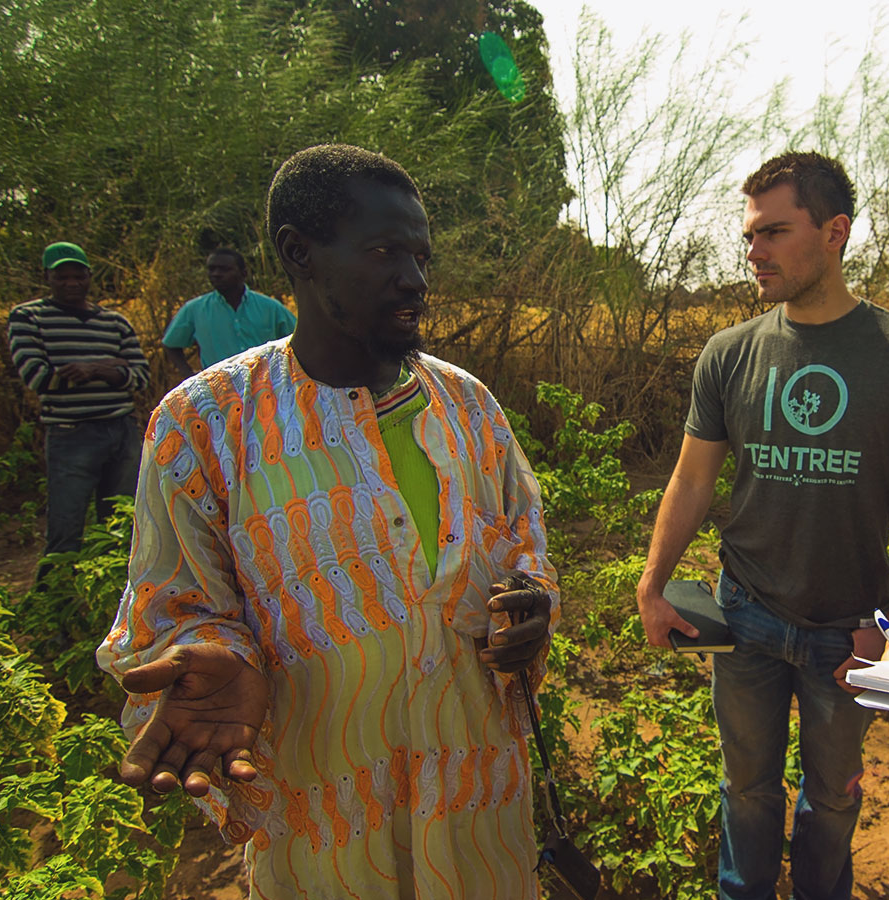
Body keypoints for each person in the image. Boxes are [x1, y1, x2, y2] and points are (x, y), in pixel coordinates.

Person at [97, 144, 558, 898]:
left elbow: (526, 548)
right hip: (325, 817)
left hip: (479, 797)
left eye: (420, 256)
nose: (414, 280)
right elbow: (173, 602)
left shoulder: (470, 406)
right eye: (383, 252)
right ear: (298, 253)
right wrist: (218, 655)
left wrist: (532, 607)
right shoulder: (205, 425)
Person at [635, 151, 889, 899]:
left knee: (834, 798)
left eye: (775, 232)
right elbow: (691, 479)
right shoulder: (730, 353)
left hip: (848, 632)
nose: (755, 251)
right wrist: (653, 584)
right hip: (746, 615)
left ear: (834, 232)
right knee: (746, 789)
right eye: (750, 235)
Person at [8, 241, 151, 559]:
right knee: (65, 529)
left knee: (121, 526)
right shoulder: (29, 317)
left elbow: (141, 377)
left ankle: (114, 587)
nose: (71, 283)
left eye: (78, 276)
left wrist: (91, 369)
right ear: (47, 277)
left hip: (121, 430)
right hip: (70, 432)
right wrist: (111, 367)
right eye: (62, 277)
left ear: (89, 276)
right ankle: (55, 588)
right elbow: (38, 378)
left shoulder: (114, 322)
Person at [162, 248, 296, 380]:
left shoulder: (270, 307)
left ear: (244, 273)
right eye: (211, 269)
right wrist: (189, 376)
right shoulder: (194, 309)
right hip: (219, 387)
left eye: (224, 269)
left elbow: (299, 339)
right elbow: (171, 344)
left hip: (266, 385)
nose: (216, 274)